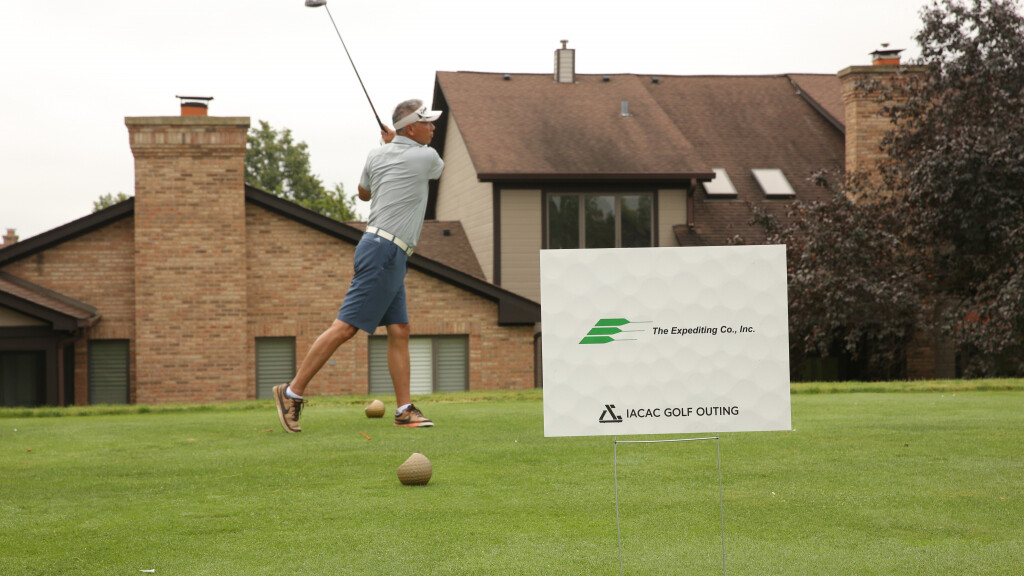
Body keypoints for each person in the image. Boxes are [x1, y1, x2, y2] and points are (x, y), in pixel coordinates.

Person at [273, 99, 444, 433]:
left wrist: (388, 145)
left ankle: (404, 409)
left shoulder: (376, 154)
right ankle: (292, 392)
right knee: (345, 328)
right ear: (411, 128)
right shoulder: (427, 157)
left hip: (384, 250)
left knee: (399, 329)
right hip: (384, 252)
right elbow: (428, 168)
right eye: (427, 123)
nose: (433, 128)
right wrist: (393, 143)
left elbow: (363, 193)